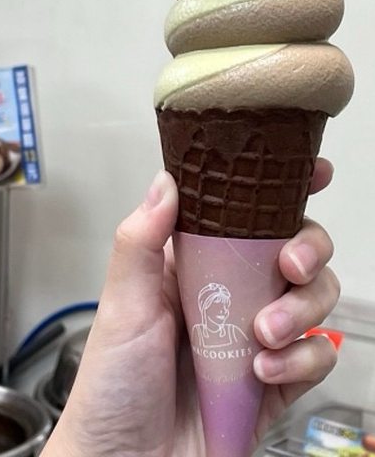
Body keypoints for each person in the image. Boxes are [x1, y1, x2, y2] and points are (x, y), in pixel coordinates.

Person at [41, 158, 340, 457]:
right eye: (216, 308)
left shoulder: (233, 331)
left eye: (224, 308)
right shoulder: (197, 332)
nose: (223, 314)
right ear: (205, 309)